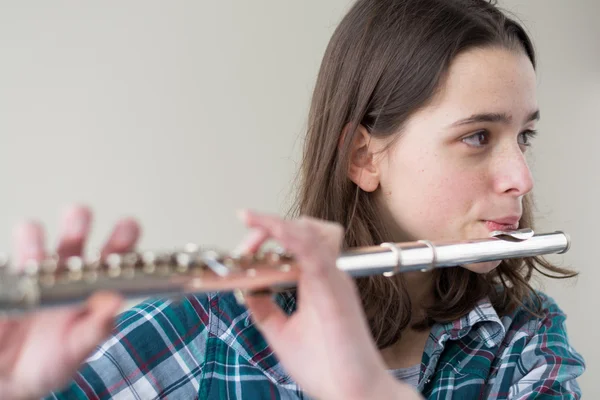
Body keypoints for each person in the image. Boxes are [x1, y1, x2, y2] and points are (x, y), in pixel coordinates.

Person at [0, 0, 586, 398]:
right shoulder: (219, 327)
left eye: (524, 136)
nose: (521, 177)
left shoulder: (523, 340)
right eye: (478, 136)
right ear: (364, 157)